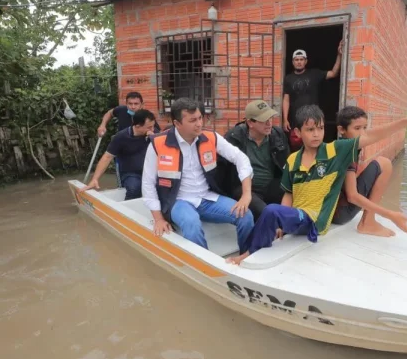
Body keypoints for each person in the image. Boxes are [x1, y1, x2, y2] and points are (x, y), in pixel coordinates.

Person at [227, 104, 407, 265]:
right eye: (310, 130)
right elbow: (288, 194)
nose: (316, 134)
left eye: (320, 128)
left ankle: (247, 254)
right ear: (298, 133)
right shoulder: (293, 160)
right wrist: (284, 222)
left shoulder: (335, 151)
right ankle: (248, 251)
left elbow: (372, 136)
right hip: (298, 217)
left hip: (314, 222)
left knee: (271, 211)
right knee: (274, 211)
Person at [142, 98, 255, 255]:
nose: (199, 123)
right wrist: (159, 219)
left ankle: (246, 257)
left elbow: (240, 158)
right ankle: (207, 265)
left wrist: (246, 194)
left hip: (207, 198)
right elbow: (148, 183)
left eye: (200, 118)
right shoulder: (158, 144)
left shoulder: (210, 137)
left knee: (245, 215)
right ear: (177, 123)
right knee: (191, 223)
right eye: (192, 120)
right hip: (178, 201)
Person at [332, 106, 407, 236]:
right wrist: (390, 214)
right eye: (357, 128)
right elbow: (352, 196)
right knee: (384, 164)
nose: (363, 133)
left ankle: (368, 221)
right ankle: (368, 222)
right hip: (341, 214)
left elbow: (376, 133)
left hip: (335, 211)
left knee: (379, 164)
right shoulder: (347, 151)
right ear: (341, 129)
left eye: (365, 128)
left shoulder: (340, 145)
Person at [217, 100, 290, 221]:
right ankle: (273, 227)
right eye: (264, 120)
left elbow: (287, 165)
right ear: (250, 122)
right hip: (244, 188)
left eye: (270, 118)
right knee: (264, 211)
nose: (269, 123)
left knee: (295, 195)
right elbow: (222, 169)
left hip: (270, 185)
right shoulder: (234, 137)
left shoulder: (277, 135)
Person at [82, 110, 157, 200]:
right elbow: (107, 157)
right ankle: (128, 210)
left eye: (153, 126)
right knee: (134, 188)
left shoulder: (154, 133)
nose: (153, 130)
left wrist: (154, 138)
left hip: (150, 171)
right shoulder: (121, 137)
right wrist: (95, 179)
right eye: (149, 127)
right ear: (137, 126)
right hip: (130, 173)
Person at [282, 43, 343, 149]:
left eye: (301, 59)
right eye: (296, 60)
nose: (299, 62)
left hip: (313, 119)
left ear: (306, 61)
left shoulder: (314, 74)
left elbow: (333, 73)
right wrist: (285, 119)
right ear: (293, 62)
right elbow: (286, 99)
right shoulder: (288, 78)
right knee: (297, 148)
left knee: (314, 147)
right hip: (295, 121)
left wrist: (339, 55)